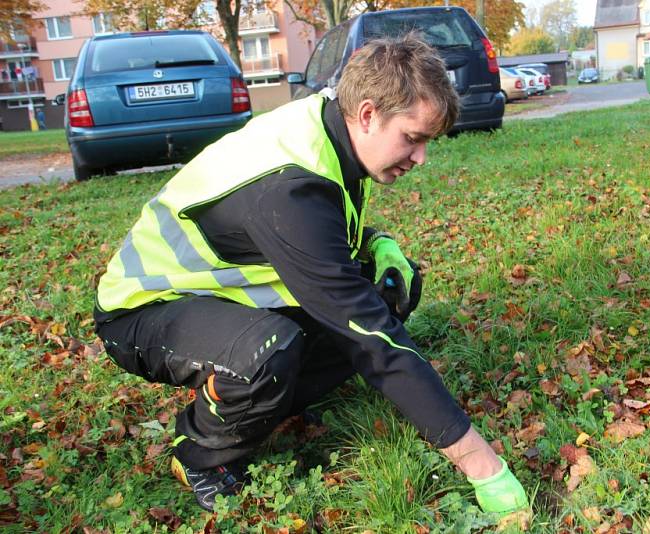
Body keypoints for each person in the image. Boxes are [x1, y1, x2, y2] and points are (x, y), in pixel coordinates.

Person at [93, 34, 529, 523]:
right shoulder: (289, 186)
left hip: (216, 293)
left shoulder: (331, 125)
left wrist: (376, 244)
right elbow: (371, 338)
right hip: (143, 311)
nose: (420, 158)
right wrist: (481, 464)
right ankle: (199, 452)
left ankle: (270, 402)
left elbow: (326, 236)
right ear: (368, 114)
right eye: (413, 138)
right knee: (270, 352)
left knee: (386, 292)